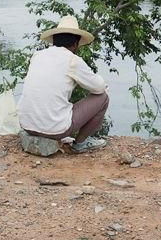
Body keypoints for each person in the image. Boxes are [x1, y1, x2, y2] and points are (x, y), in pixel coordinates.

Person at [17, 15, 109, 154]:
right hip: (55, 129)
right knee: (103, 98)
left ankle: (49, 131)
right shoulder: (72, 60)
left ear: (55, 40)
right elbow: (99, 87)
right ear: (75, 43)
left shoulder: (37, 55)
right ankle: (80, 143)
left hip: (27, 125)